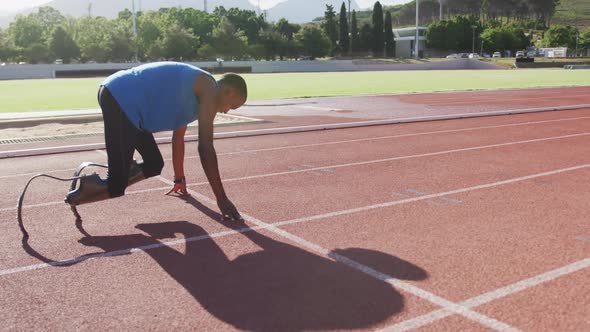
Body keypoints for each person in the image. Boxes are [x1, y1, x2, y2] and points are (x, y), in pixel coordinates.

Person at [65, 62, 246, 221]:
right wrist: (221, 198)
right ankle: (77, 194)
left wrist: (179, 178)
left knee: (154, 164)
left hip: (132, 111)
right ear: (228, 91)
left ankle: (124, 170)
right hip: (121, 97)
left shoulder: (197, 96)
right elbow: (205, 147)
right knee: (116, 186)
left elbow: (178, 137)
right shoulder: (208, 87)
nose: (227, 111)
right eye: (232, 105)